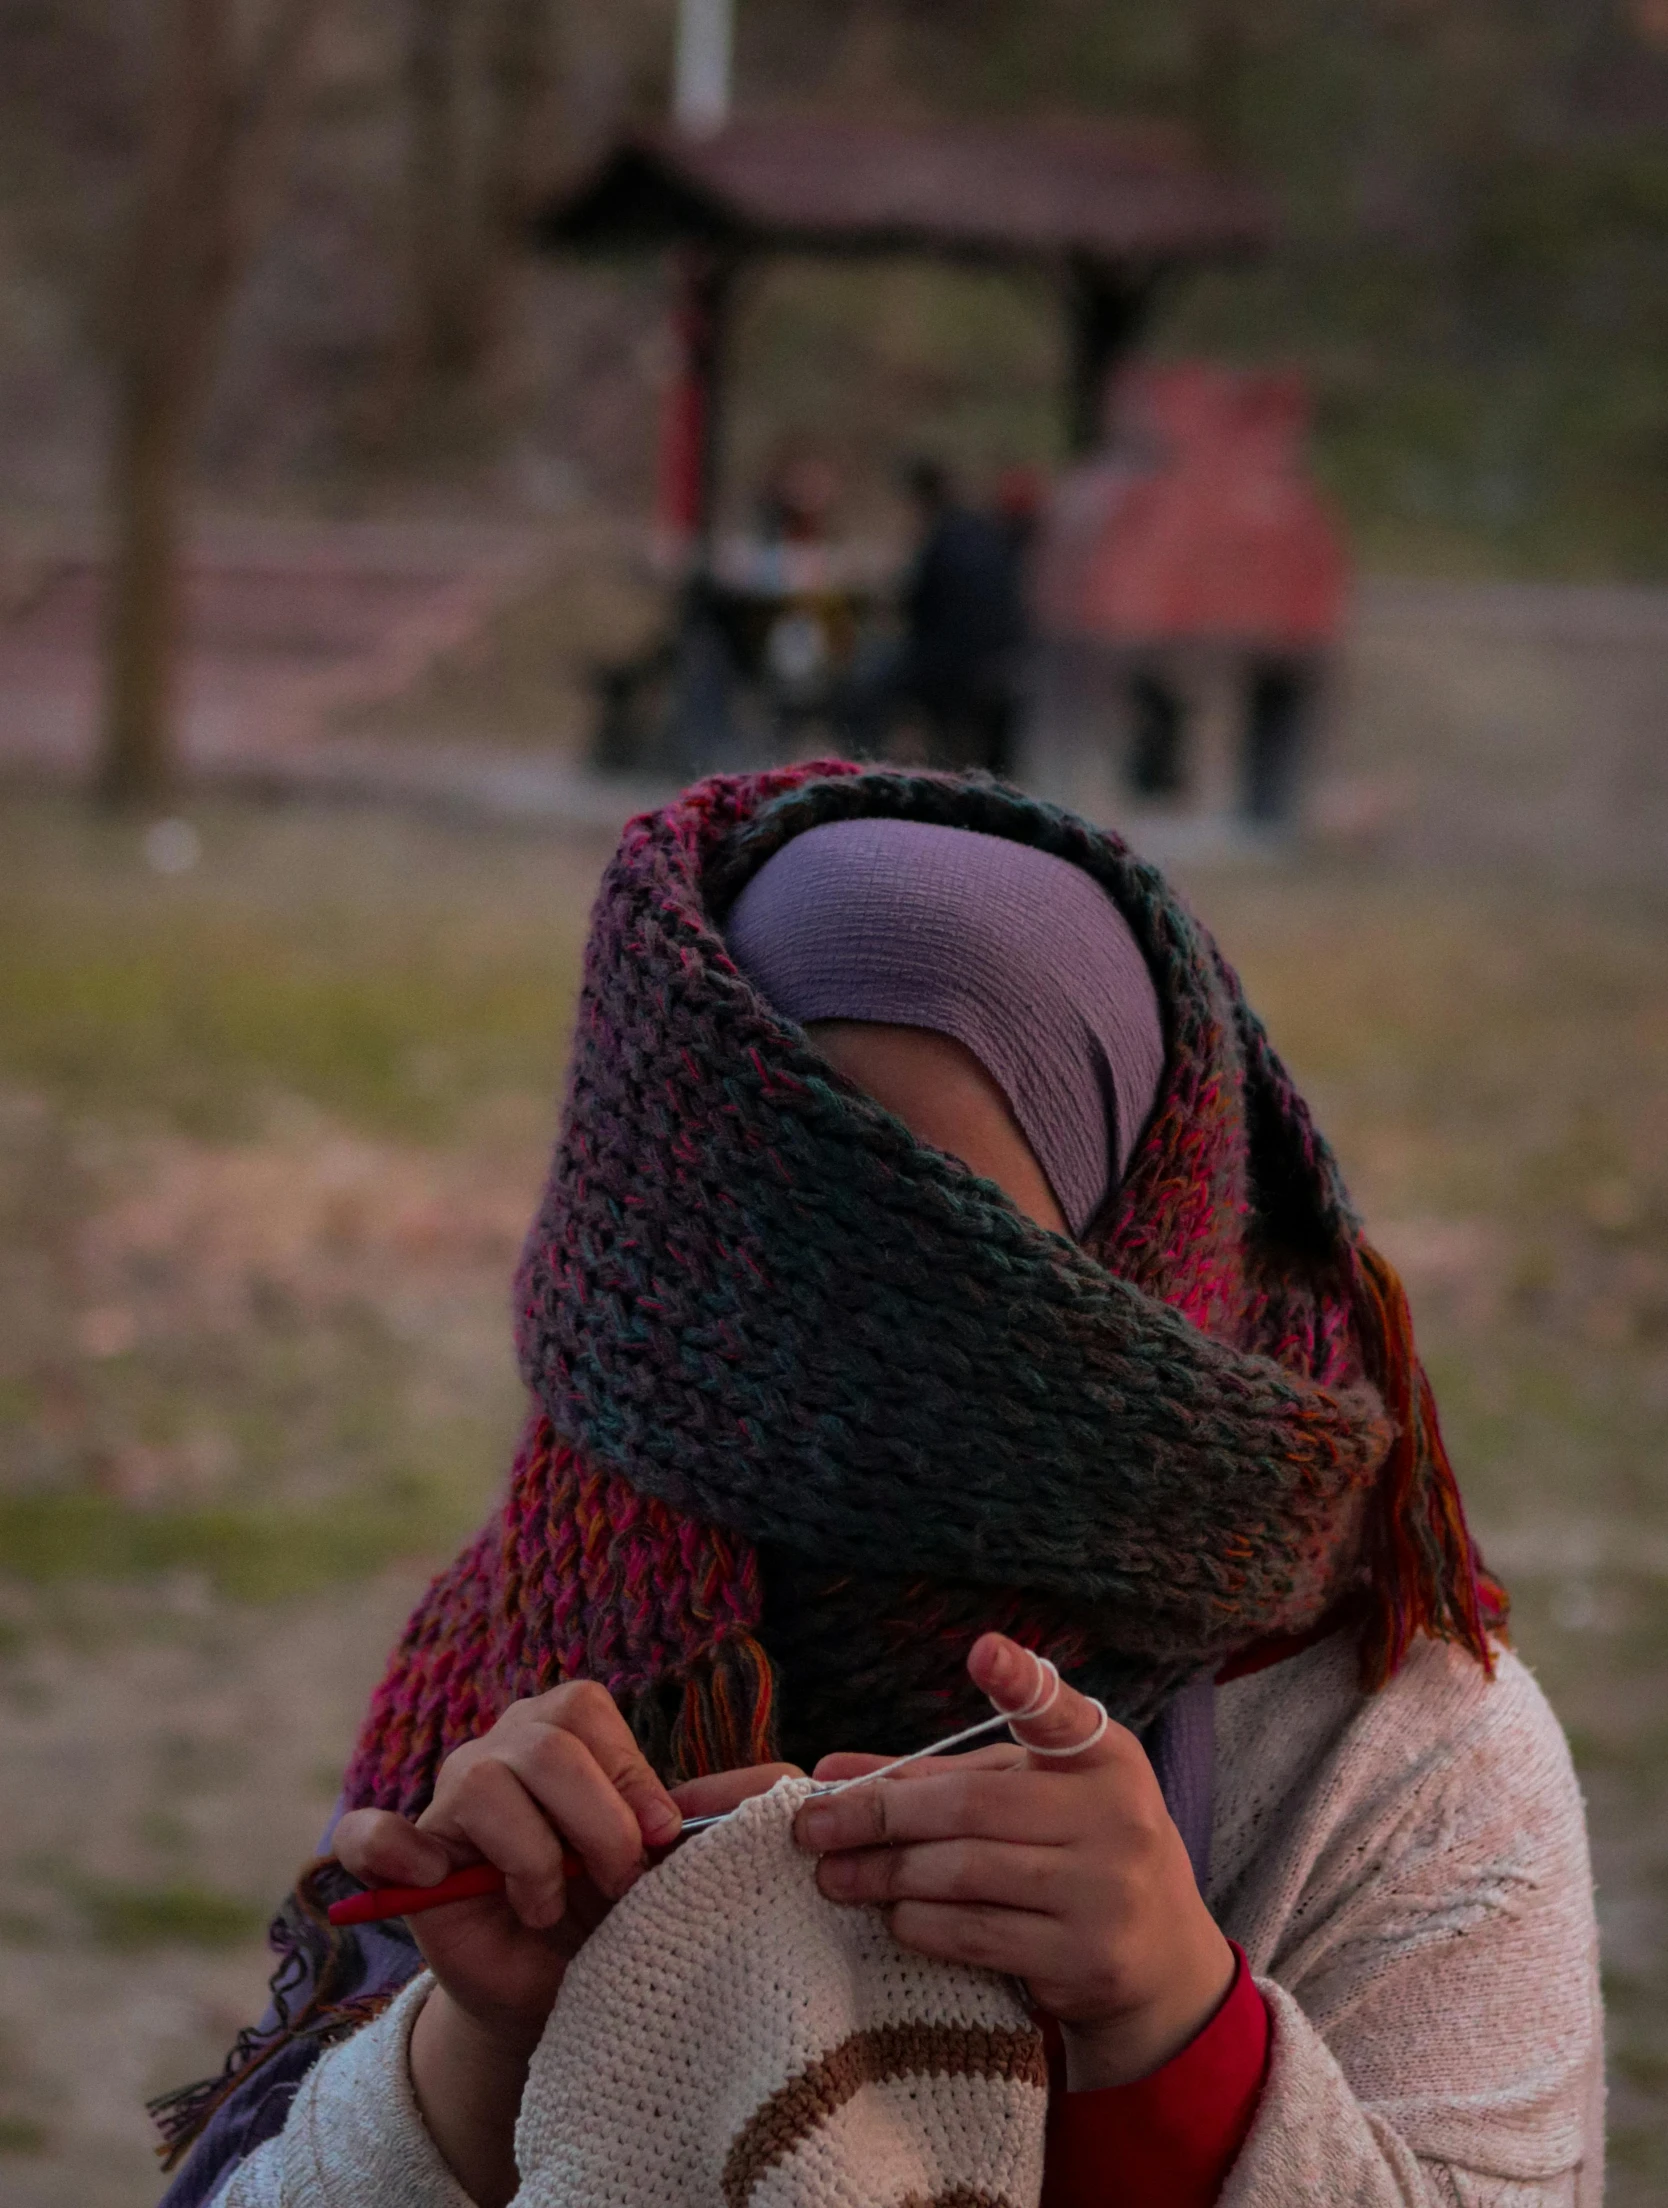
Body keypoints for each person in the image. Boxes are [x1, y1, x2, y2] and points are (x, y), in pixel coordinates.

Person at [156, 766, 1601, 2208]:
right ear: (654, 1240)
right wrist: (479, 2053)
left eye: (949, 1271)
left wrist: (1175, 2033)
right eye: (775, 1257)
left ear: (1133, 1257)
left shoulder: (1399, 1747)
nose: (845, 1371)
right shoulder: (550, 1644)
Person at [845, 461, 1028, 773]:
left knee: (862, 686)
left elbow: (915, 608)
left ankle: (864, 770)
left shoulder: (941, 537)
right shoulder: (982, 531)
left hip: (948, 664)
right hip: (997, 659)